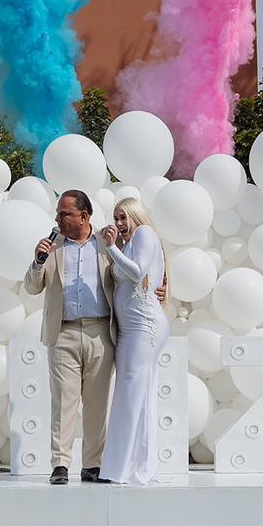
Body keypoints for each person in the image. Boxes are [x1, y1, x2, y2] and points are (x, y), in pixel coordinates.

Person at [23, 189, 115, 485]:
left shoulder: (105, 243)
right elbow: (32, 287)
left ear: (84, 216)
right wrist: (38, 261)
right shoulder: (53, 246)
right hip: (62, 332)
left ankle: (92, 464)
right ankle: (60, 464)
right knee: (64, 401)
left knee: (97, 403)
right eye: (58, 213)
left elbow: (128, 276)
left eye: (65, 214)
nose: (58, 219)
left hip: (100, 330)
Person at [97, 196, 171, 485]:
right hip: (130, 329)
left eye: (123, 217)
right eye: (115, 218)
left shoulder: (145, 234)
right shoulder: (130, 244)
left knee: (129, 394)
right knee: (135, 396)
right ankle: (135, 464)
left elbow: (139, 271)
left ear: (135, 216)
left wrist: (112, 247)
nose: (118, 223)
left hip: (144, 327)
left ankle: (118, 469)